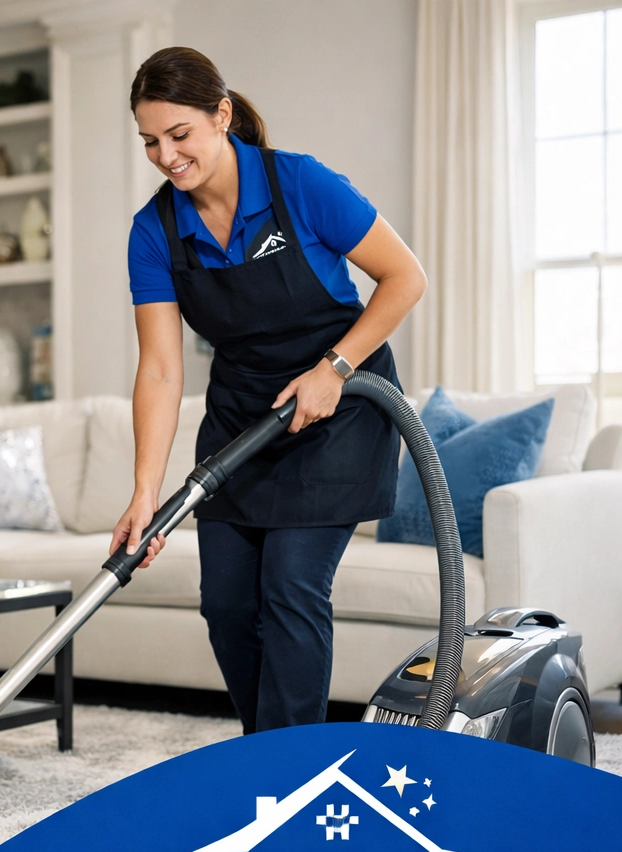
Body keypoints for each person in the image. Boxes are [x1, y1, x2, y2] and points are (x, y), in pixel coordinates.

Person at [113, 47, 426, 734]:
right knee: (226, 604)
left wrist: (333, 369)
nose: (166, 156)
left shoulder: (300, 185)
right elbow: (162, 369)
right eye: (150, 142)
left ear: (221, 115)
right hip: (241, 423)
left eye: (179, 134)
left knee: (290, 586)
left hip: (340, 409)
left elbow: (405, 277)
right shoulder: (155, 232)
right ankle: (272, 759)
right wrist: (144, 491)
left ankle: (295, 775)